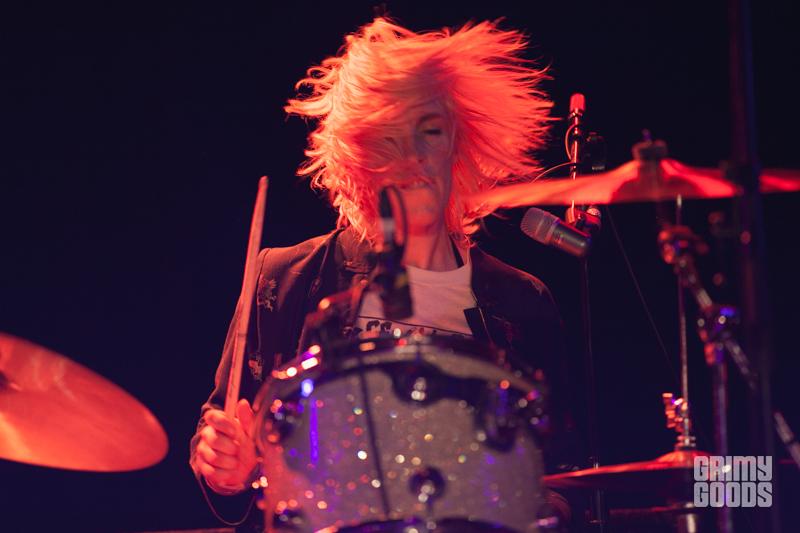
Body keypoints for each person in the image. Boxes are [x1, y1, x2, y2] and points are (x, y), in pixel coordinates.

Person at [190, 17, 574, 531]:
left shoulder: (521, 302)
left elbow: (563, 475)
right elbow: (225, 436)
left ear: (459, 146)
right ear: (357, 159)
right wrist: (227, 466)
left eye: (429, 133)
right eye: (389, 139)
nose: (413, 160)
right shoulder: (287, 280)